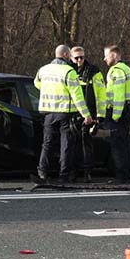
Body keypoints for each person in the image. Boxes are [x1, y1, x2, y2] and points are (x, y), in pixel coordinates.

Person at [33, 45, 93, 184]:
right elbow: (77, 96)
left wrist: (49, 89)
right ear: (66, 55)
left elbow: (36, 83)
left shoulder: (43, 70)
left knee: (47, 143)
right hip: (65, 113)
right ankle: (64, 174)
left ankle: (42, 172)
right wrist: (86, 115)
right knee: (65, 144)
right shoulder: (69, 72)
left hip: (48, 112)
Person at [70, 46, 107, 182]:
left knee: (87, 145)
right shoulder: (68, 71)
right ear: (71, 58)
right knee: (72, 145)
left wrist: (99, 116)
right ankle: (72, 172)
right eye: (76, 58)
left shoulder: (93, 72)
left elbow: (101, 95)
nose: (80, 60)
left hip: (89, 115)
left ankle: (87, 173)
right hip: (72, 114)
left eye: (82, 57)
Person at [102, 45, 130, 184]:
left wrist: (115, 115)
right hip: (127, 111)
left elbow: (118, 94)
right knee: (125, 144)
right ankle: (126, 176)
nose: (104, 58)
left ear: (114, 55)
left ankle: (121, 177)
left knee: (118, 146)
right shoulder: (126, 69)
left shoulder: (116, 71)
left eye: (106, 55)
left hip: (119, 113)